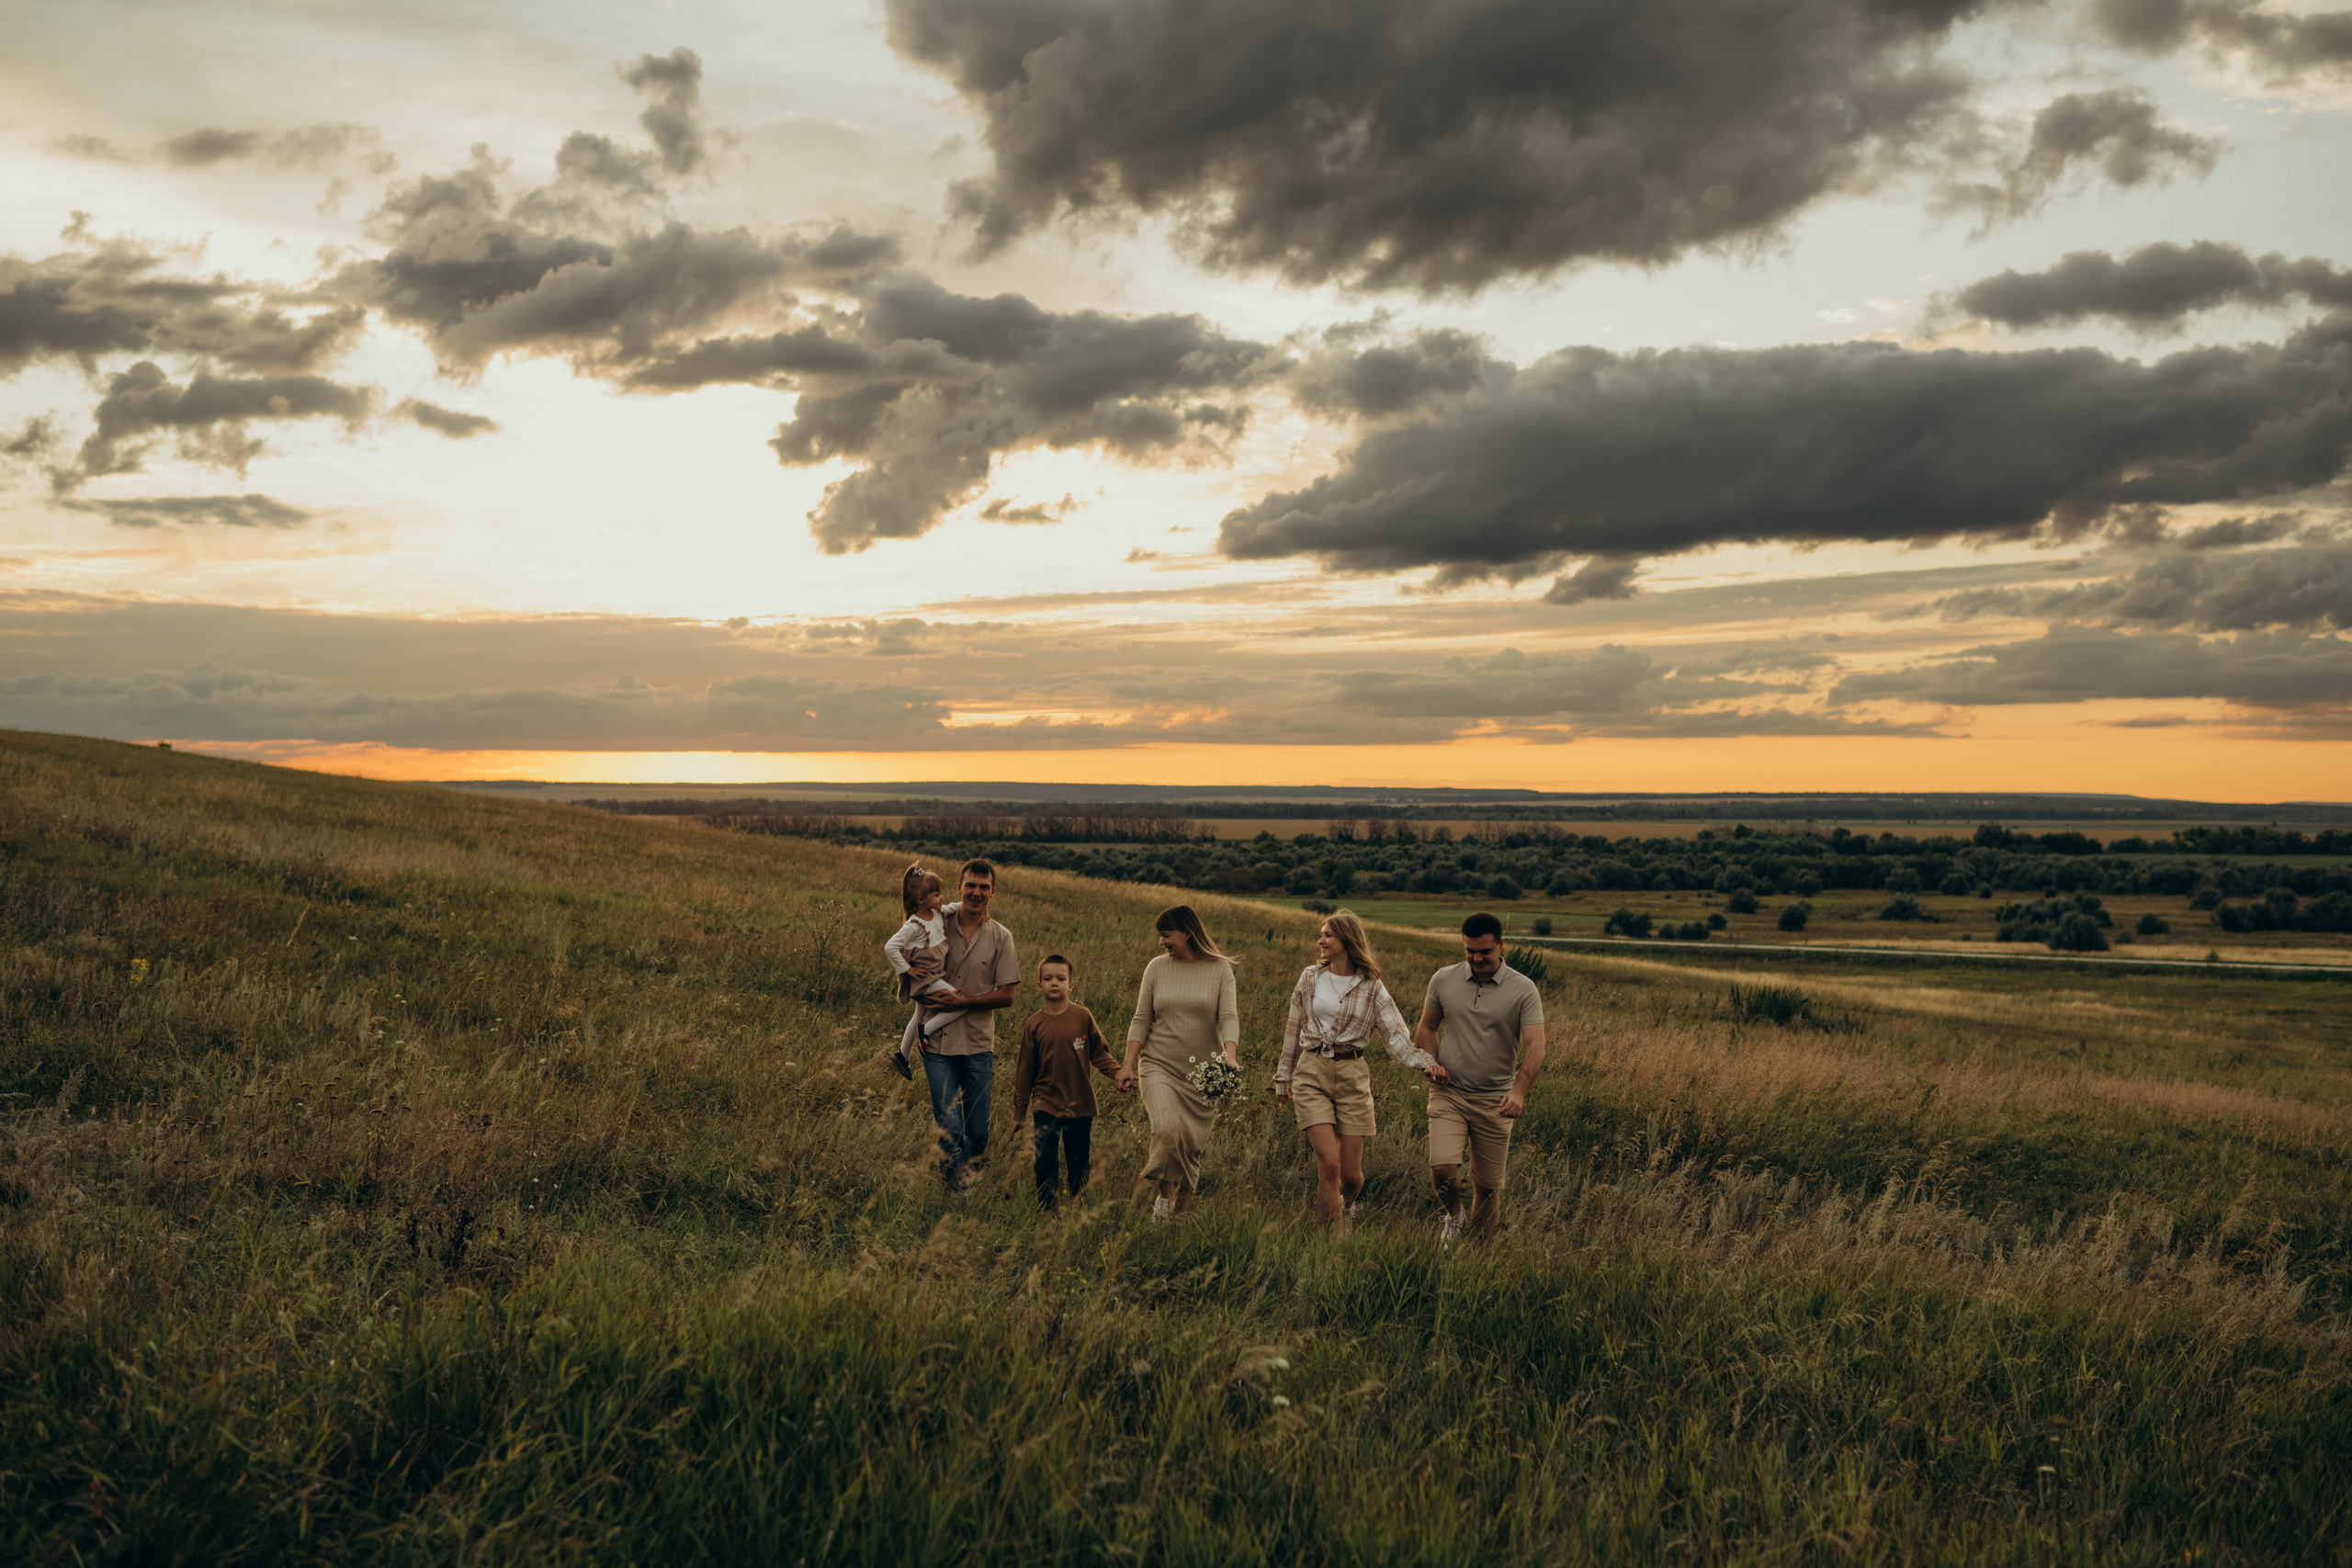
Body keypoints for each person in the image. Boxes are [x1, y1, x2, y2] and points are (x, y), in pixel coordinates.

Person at [1273, 910, 1450, 1232]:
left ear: (1346, 939)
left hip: (1353, 1075)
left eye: (1327, 935)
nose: (1321, 940)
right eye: (1321, 934)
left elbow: (1396, 1038)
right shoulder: (1309, 977)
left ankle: (1349, 1203)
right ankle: (1332, 1242)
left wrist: (1427, 1063)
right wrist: (1284, 1077)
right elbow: (1293, 1027)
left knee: (1350, 1176)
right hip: (1311, 1072)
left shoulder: (1372, 987)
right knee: (1329, 1166)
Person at [1415, 912, 1545, 1247]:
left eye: (1485, 951)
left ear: (1501, 945)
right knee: (1443, 1169)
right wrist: (1430, 1062)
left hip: (1496, 1101)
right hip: (1449, 1093)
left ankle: (1476, 1257)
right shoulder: (1443, 979)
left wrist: (1518, 1092)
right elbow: (1427, 1028)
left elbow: (1536, 1046)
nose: (1476, 958)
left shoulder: (1524, 989)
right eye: (1469, 950)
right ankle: (1454, 1217)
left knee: (1487, 1189)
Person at [1114, 905, 1239, 1224]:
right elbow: (1142, 1018)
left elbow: (1227, 1016)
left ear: (1187, 932)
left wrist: (1229, 1054)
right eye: (1160, 936)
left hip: (1204, 1074)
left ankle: (1180, 1216)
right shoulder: (1156, 968)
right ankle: (1164, 1200)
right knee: (1168, 1131)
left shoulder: (1220, 969)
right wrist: (1128, 1064)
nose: (1162, 942)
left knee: (1190, 1145)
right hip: (1159, 1064)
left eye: (1166, 935)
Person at [921, 859, 1022, 1190]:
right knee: (949, 1127)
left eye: (983, 887)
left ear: (993, 892)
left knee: (978, 1133)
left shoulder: (1001, 937)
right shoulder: (937, 924)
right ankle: (955, 1192)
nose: (976, 893)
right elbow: (910, 955)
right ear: (959, 887)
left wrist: (962, 1003)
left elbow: (1006, 996)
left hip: (978, 1045)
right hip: (936, 1042)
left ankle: (964, 1175)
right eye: (970, 886)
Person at [1010, 953, 1119, 1207]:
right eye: (1047, 979)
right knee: (1045, 1161)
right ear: (1039, 986)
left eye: (1061, 978)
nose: (1054, 983)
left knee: (1078, 1160)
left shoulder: (1082, 1016)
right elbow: (1024, 1070)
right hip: (1045, 1103)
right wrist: (1019, 1113)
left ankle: (1078, 1207)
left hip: (1079, 1102)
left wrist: (1117, 1074)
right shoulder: (1034, 1025)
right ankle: (1047, 1210)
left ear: (1071, 984)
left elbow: (1099, 1053)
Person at [882, 863, 966, 1079]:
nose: (941, 898)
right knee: (960, 1003)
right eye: (937, 895)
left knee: (918, 1015)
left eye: (941, 894)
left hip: (934, 975)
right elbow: (890, 947)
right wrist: (907, 969)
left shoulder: (937, 913)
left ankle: (902, 1055)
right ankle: (925, 1032)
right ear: (921, 900)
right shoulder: (913, 925)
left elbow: (955, 906)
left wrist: (981, 909)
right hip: (925, 979)